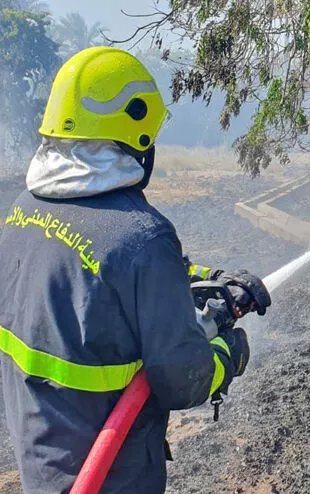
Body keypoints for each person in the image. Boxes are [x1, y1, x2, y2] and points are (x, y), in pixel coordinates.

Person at [0, 46, 271, 493]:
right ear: (136, 138)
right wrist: (229, 353)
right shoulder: (143, 238)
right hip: (113, 478)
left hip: (42, 470)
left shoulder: (22, 214)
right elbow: (183, 381)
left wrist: (201, 277)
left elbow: (102, 274)